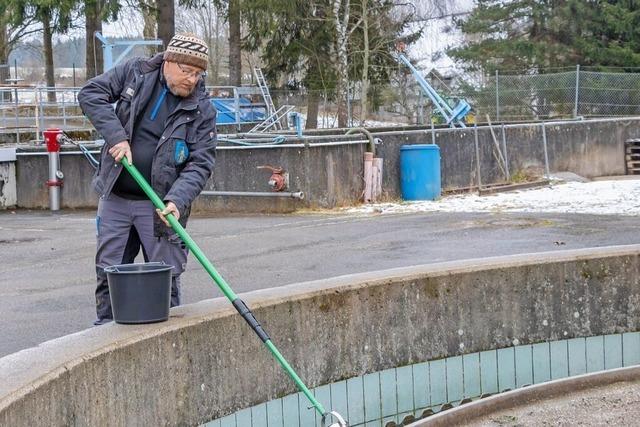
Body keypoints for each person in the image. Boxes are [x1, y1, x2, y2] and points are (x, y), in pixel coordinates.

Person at [78, 33, 217, 325]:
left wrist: (177, 200)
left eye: (198, 73)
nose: (192, 80)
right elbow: (91, 94)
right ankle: (105, 333)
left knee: (164, 278)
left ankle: (165, 340)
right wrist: (116, 136)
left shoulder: (202, 109)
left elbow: (201, 162)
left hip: (160, 208)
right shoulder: (135, 73)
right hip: (117, 195)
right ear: (170, 61)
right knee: (109, 271)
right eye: (187, 71)